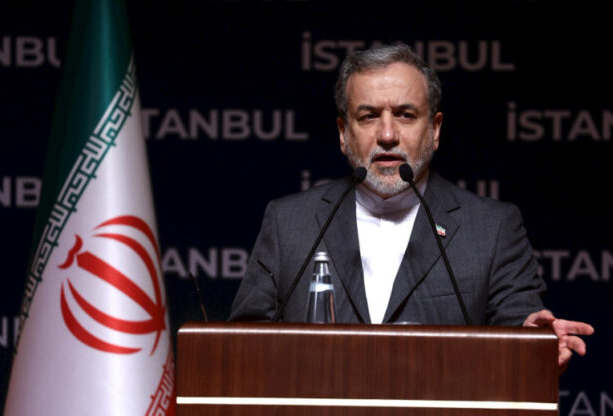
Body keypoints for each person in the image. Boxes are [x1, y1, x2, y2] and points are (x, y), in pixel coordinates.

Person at [229, 43, 593, 371]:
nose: (387, 135)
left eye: (405, 114)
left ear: (435, 130)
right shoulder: (289, 222)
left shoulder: (493, 228)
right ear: (343, 133)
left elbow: (522, 328)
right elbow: (243, 345)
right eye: (368, 116)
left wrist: (534, 342)